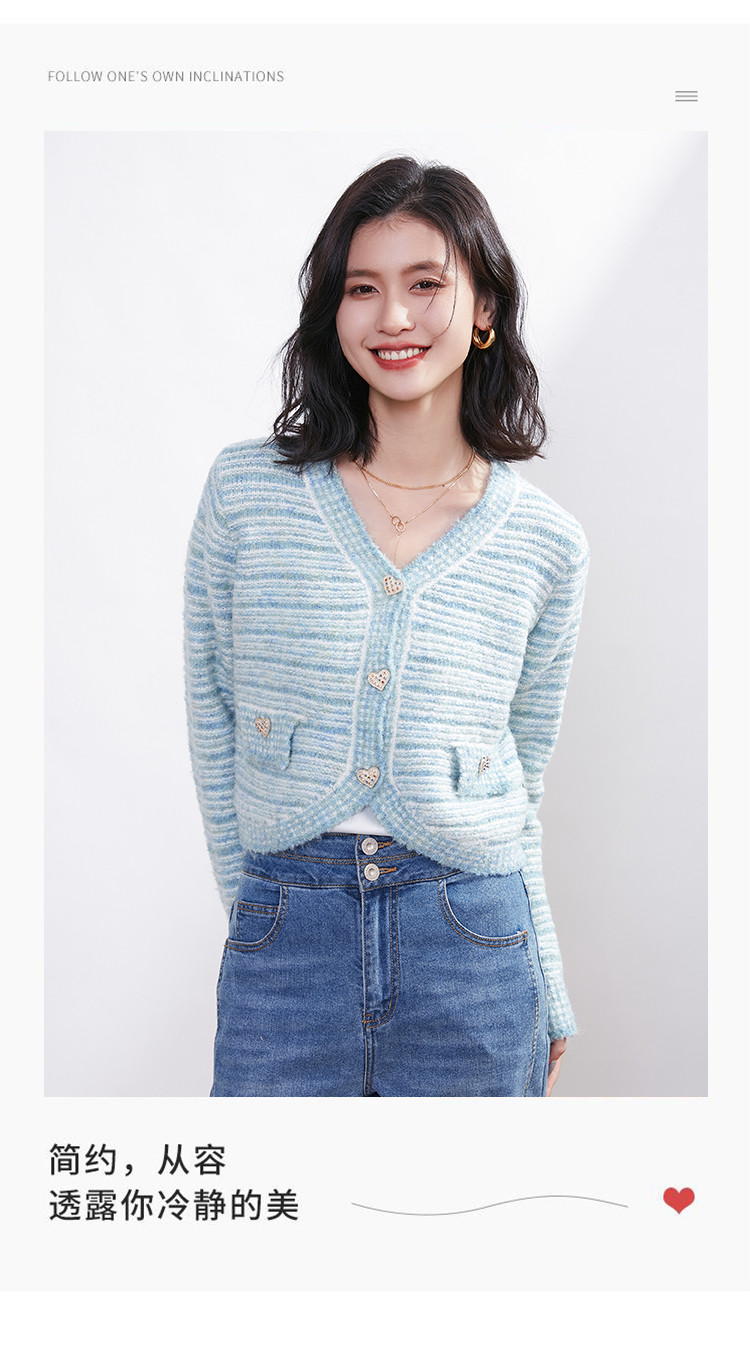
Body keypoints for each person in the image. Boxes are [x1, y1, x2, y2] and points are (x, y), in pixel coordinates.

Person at [184, 155, 589, 1098]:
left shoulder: (545, 545)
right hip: (285, 942)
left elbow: (521, 785)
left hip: (475, 946)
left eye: (426, 285)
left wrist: (549, 980)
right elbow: (213, 713)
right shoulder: (246, 494)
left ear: (485, 310)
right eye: (362, 287)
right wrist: (257, 919)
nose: (393, 317)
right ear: (334, 310)